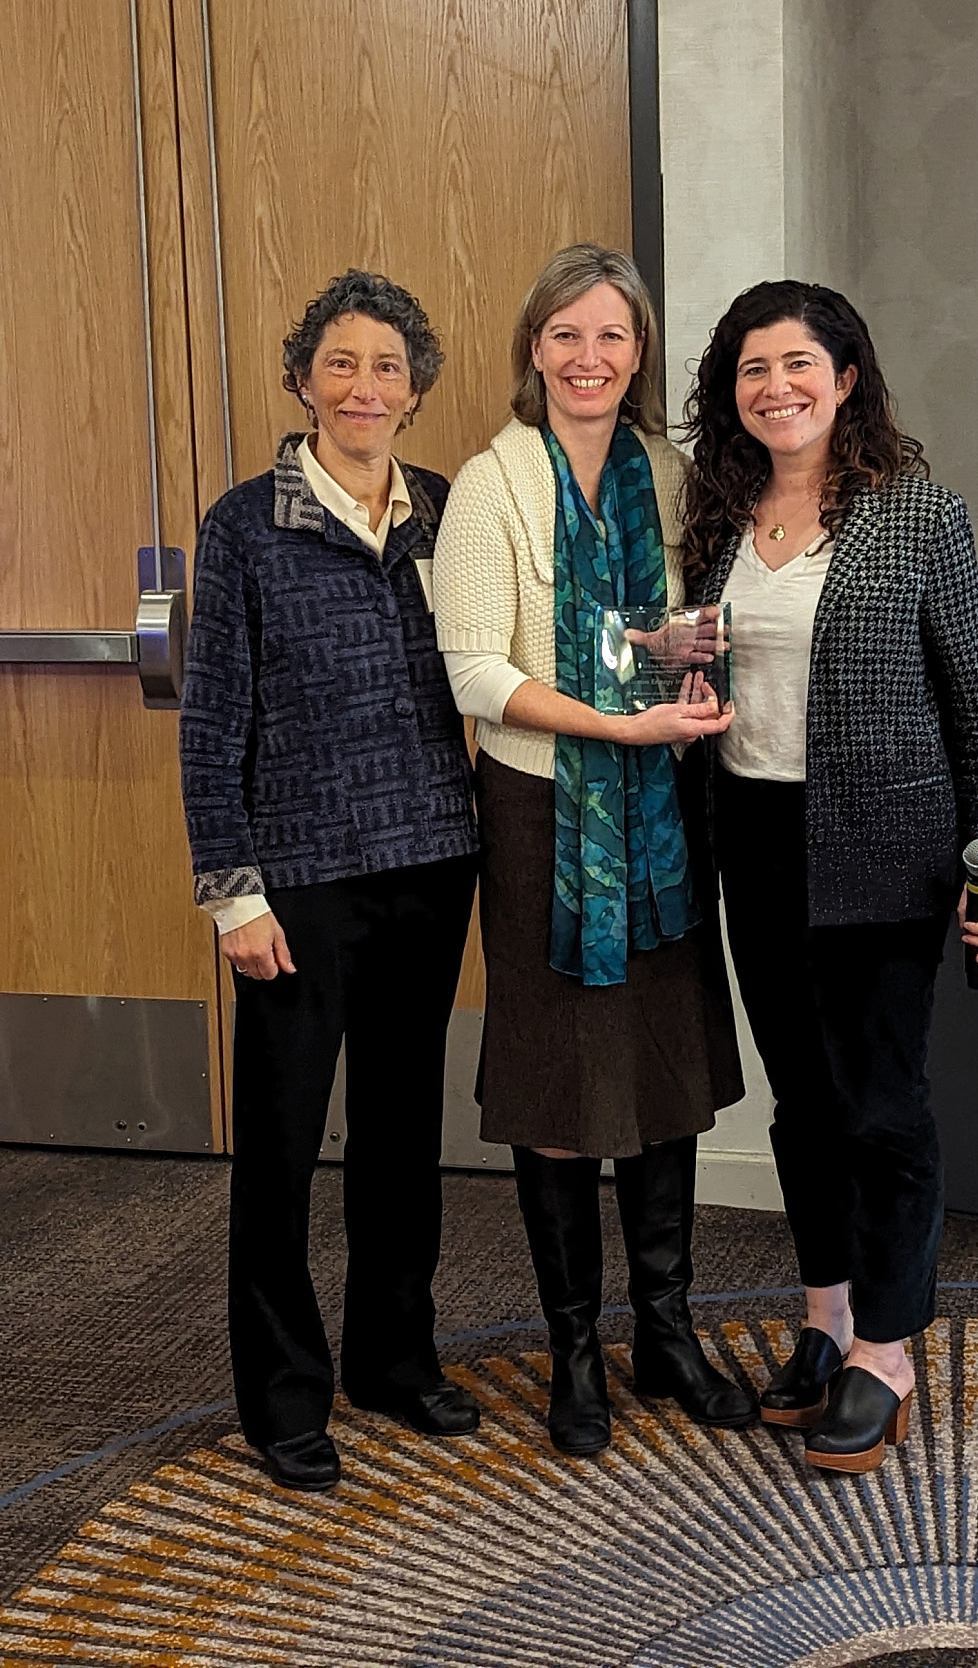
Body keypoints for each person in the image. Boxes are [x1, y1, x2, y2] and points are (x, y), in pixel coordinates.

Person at [683, 279, 978, 1476]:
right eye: (749, 370)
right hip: (753, 836)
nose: (774, 387)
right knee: (799, 1104)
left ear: (845, 376)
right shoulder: (715, 518)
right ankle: (823, 1318)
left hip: (886, 842)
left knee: (881, 1105)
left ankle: (887, 1350)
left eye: (795, 364)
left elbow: (975, 706)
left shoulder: (916, 515)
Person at [433, 242, 755, 1457]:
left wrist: (680, 707)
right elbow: (473, 670)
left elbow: (688, 630)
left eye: (611, 336)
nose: (588, 356)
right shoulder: (490, 481)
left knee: (665, 1067)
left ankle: (664, 1333)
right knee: (559, 1086)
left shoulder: (666, 475)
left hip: (660, 816)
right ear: (533, 348)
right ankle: (576, 1350)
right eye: (565, 333)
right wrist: (617, 724)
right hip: (541, 815)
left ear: (639, 353)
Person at [179, 268, 480, 1493]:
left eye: (389, 366)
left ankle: (392, 1360)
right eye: (342, 362)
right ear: (304, 379)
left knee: (406, 1134)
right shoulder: (245, 523)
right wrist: (231, 892)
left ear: (414, 393)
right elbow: (211, 726)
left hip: (430, 859)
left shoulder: (447, 512)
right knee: (285, 1149)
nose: (366, 384)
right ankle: (285, 1395)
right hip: (297, 881)